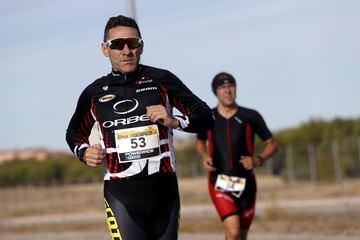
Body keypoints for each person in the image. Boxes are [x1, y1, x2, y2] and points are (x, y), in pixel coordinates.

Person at [66, 15, 214, 240]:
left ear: (141, 46)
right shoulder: (94, 93)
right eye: (117, 44)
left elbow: (206, 116)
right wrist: (83, 151)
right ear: (105, 50)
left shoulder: (162, 80)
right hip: (121, 196)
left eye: (133, 43)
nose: (126, 50)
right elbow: (74, 132)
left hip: (164, 193)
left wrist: (175, 121)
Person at [195, 72, 279, 240]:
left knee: (240, 235)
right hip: (219, 182)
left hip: (246, 183)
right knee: (233, 231)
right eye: (222, 87)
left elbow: (273, 144)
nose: (227, 90)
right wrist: (204, 156)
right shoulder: (208, 117)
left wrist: (258, 159)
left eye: (231, 86)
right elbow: (199, 142)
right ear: (215, 92)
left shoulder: (250, 116)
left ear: (236, 89)